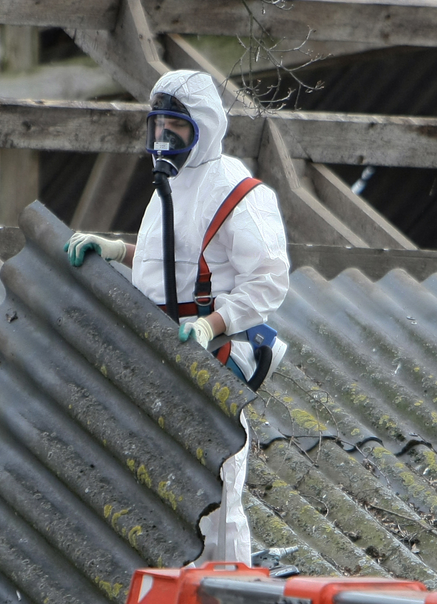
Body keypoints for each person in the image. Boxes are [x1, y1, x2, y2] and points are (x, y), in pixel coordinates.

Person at [64, 69, 289, 565]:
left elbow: (270, 279)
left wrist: (214, 324)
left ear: (203, 127)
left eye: (177, 127)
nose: (164, 138)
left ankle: (229, 585)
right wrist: (118, 250)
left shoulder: (239, 190)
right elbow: (170, 261)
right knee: (169, 484)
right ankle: (183, 583)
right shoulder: (169, 185)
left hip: (212, 356)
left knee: (219, 486)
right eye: (158, 125)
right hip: (164, 355)